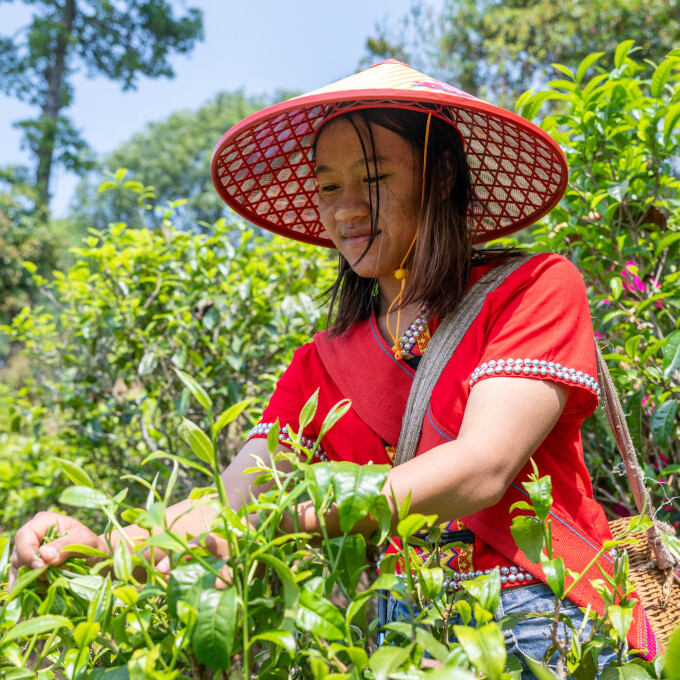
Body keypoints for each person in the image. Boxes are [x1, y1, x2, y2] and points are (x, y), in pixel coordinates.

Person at [10, 60, 656, 673]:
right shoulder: (322, 363)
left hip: (542, 616)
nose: (345, 208)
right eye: (328, 186)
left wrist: (296, 517)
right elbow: (239, 497)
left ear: (441, 180)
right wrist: (107, 542)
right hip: (399, 634)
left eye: (374, 179)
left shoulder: (534, 287)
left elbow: (481, 468)